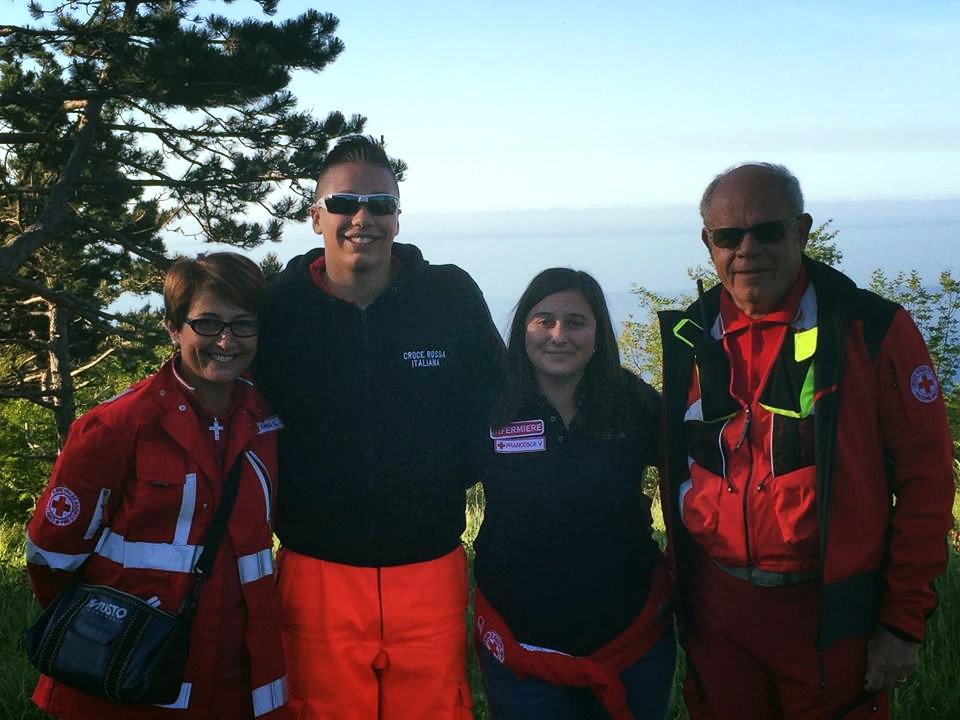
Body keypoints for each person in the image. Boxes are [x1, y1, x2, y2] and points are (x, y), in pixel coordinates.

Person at [658, 163, 955, 719]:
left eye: (767, 230)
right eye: (728, 236)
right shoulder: (690, 336)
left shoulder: (871, 330)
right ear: (708, 243)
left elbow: (928, 482)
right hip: (717, 611)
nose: (746, 250)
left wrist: (901, 621)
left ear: (802, 230)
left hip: (828, 614)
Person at [253, 134, 503, 720]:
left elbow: (498, 401)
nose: (361, 217)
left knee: (438, 708)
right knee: (319, 709)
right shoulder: (280, 308)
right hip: (316, 565)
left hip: (430, 562)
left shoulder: (449, 294)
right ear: (316, 217)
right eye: (343, 203)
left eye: (379, 203)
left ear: (397, 217)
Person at [25, 252, 288, 719]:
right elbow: (51, 557)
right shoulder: (118, 426)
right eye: (207, 323)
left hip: (240, 680)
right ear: (173, 328)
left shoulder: (266, 420)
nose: (225, 340)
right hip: (126, 678)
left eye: (243, 324)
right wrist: (100, 633)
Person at [472, 268, 675, 720]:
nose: (558, 335)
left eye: (576, 322)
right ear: (522, 328)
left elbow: (696, 474)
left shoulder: (634, 403)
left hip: (634, 643)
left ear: (599, 334)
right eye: (543, 320)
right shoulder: (488, 407)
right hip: (521, 647)